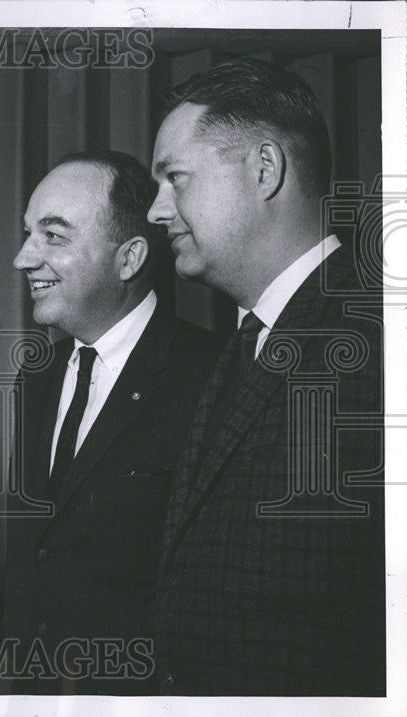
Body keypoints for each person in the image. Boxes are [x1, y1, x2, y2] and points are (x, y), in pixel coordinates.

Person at [147, 58, 384, 695]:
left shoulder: (379, 344)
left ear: (264, 170)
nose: (155, 211)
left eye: (175, 179)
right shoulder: (246, 342)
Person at [1, 150, 222, 694]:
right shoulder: (38, 378)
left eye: (53, 236)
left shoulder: (215, 375)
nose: (23, 259)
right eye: (28, 233)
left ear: (129, 259)